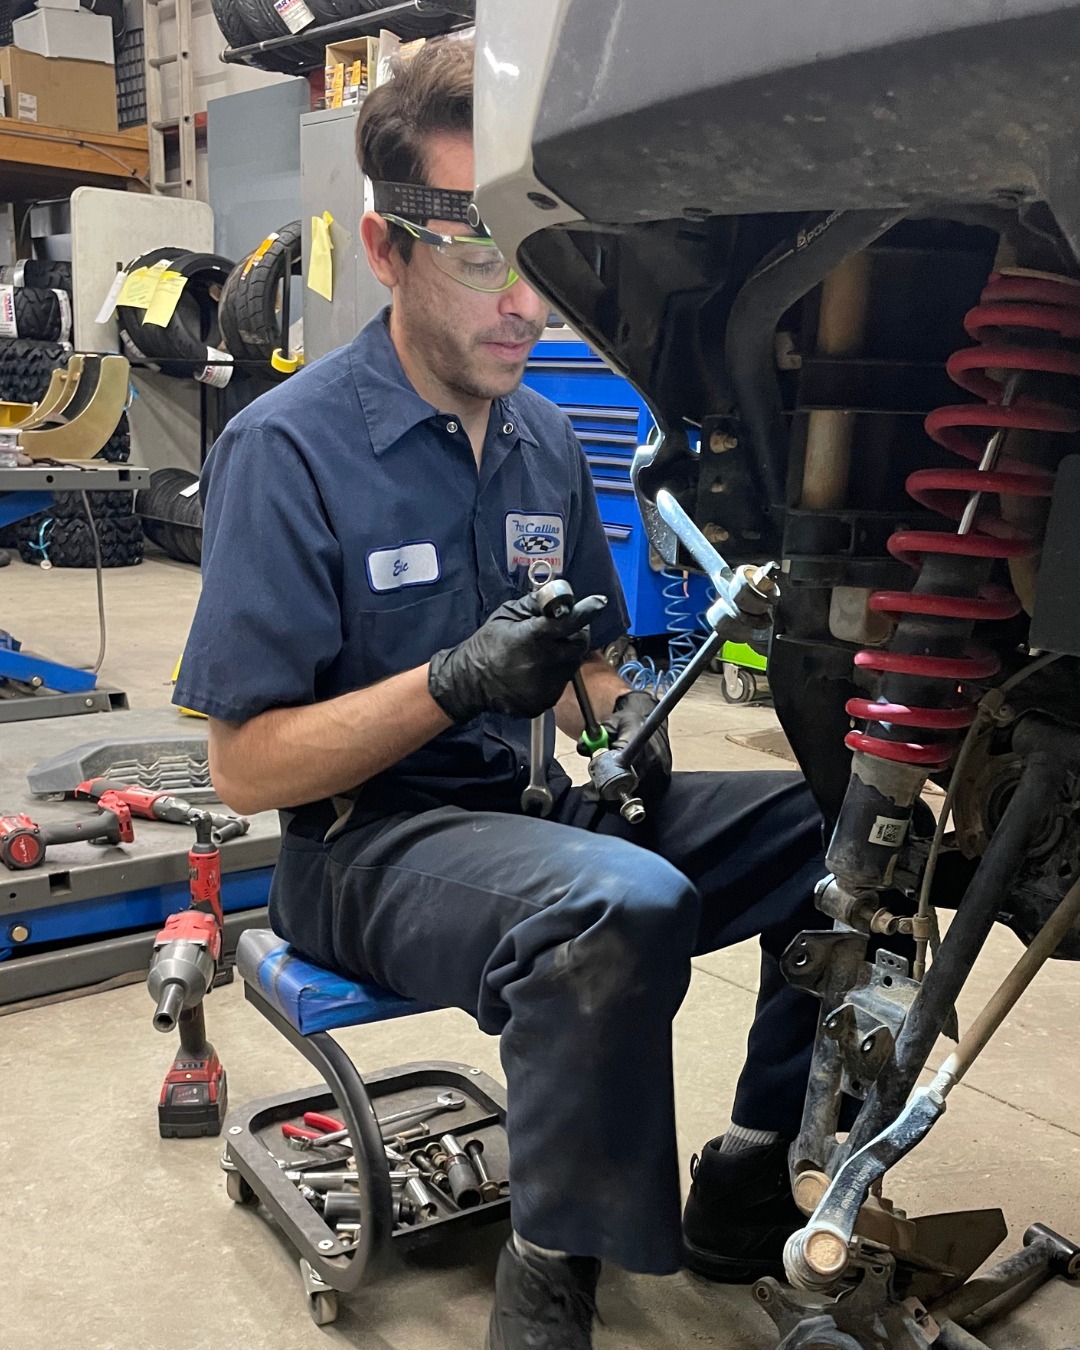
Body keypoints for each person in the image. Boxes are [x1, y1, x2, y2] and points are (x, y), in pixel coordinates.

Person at [175, 38, 827, 1350]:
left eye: (540, 254)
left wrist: (615, 719)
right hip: (366, 847)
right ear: (385, 245)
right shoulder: (286, 450)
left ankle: (753, 1175)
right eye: (478, 253)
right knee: (617, 905)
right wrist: (450, 682)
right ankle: (546, 1293)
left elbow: (586, 668)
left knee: (836, 831)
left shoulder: (544, 438)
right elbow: (244, 769)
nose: (522, 300)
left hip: (536, 813)